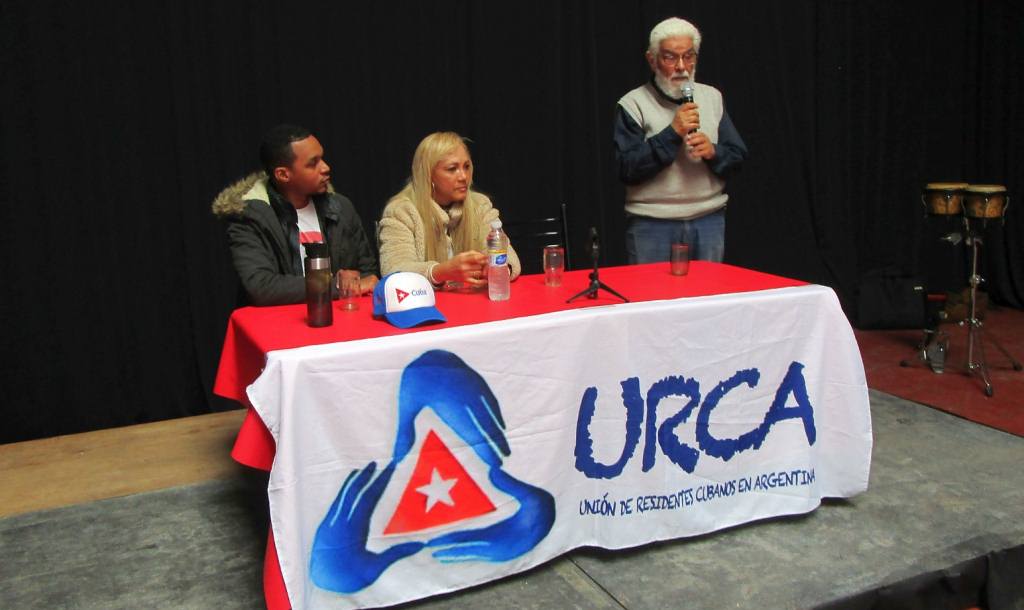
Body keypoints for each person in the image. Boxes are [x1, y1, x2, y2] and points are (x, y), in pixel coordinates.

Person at [614, 17, 748, 263]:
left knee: (708, 300)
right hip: (651, 224)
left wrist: (713, 152)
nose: (682, 67)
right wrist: (672, 132)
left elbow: (737, 157)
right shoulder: (633, 104)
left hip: (708, 220)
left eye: (689, 56)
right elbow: (627, 168)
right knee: (652, 301)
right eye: (670, 57)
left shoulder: (712, 97)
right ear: (652, 60)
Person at [211, 124, 378, 306]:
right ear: (283, 174)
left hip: (341, 321)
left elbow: (367, 274)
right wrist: (337, 285)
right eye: (313, 163)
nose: (325, 167)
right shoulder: (248, 216)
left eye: (322, 158)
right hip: (279, 327)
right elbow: (261, 287)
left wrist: (359, 281)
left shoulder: (341, 207)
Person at [378, 131, 520, 288]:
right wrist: (441, 272)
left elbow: (507, 255)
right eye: (452, 169)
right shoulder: (400, 211)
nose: (463, 176)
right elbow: (393, 271)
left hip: (472, 304)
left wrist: (496, 268)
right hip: (426, 308)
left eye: (466, 167)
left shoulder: (480, 205)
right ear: (428, 175)